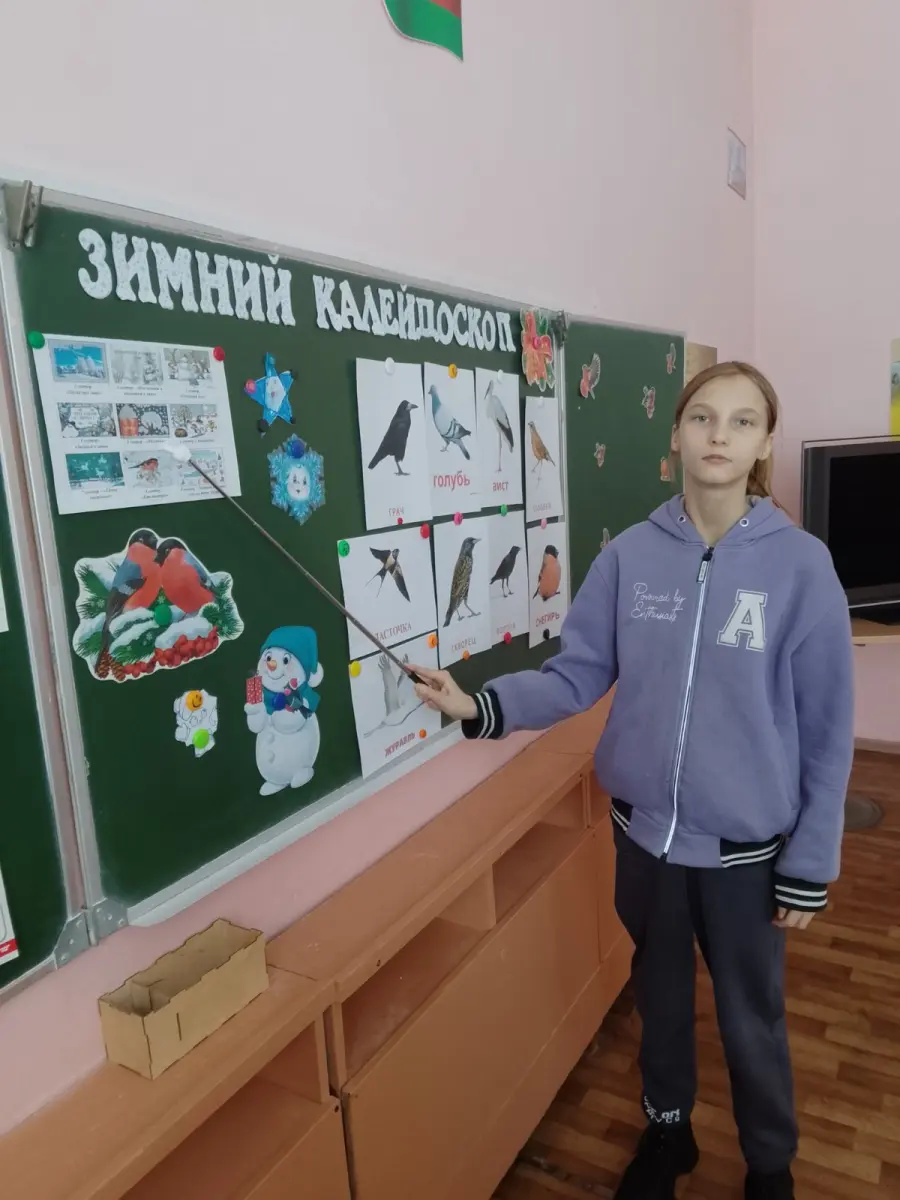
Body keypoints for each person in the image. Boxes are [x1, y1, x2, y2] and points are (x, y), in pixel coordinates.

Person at [412, 362, 854, 1200]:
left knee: (751, 1020)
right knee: (659, 1001)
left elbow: (830, 731)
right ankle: (668, 1133)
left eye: (743, 420)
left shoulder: (803, 567)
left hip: (746, 856)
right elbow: (577, 674)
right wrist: (479, 704)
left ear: (765, 442)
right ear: (676, 433)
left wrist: (810, 861)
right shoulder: (630, 557)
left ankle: (770, 1165)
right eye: (703, 417)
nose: (719, 434)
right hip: (645, 842)